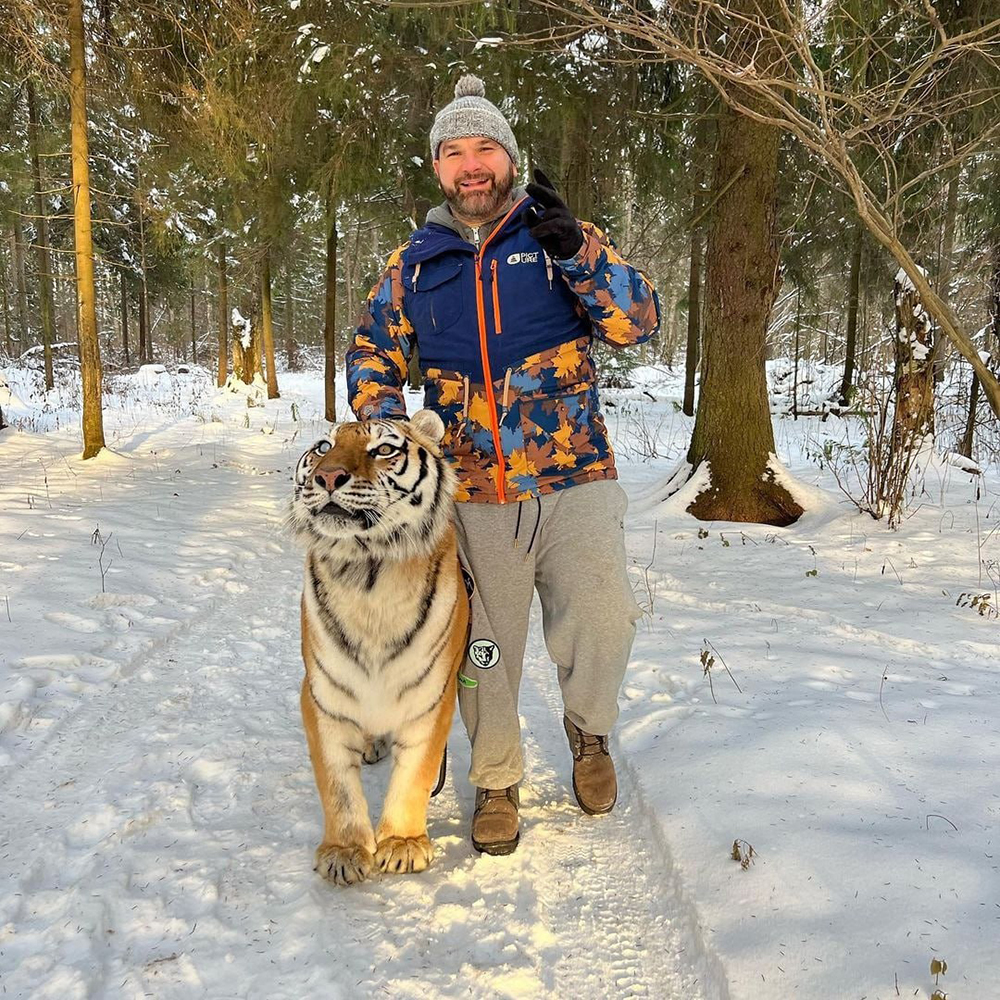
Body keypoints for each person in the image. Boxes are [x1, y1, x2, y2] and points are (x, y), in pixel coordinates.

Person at [346, 74, 660, 856]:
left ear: (510, 158)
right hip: (473, 491)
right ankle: (495, 779)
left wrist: (579, 253)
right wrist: (386, 434)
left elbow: (639, 321)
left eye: (485, 148)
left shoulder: (558, 238)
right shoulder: (413, 264)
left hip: (575, 472)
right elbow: (370, 354)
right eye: (455, 152)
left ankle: (588, 733)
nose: (471, 164)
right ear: (438, 169)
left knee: (604, 617)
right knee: (483, 646)